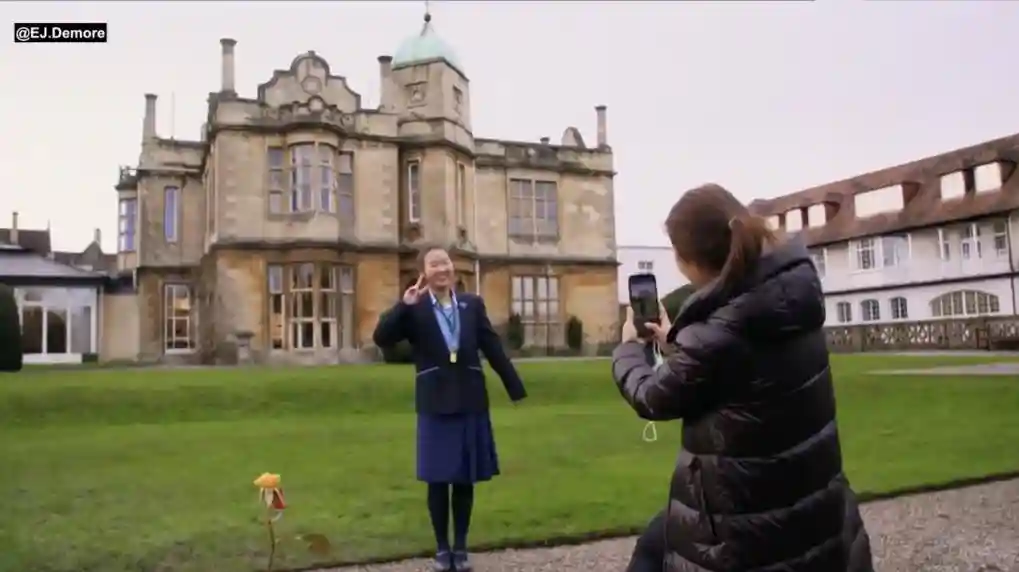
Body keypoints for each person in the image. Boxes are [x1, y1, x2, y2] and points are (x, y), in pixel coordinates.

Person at [613, 184, 874, 572]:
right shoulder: (789, 296)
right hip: (810, 494)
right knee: (658, 538)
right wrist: (676, 342)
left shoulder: (721, 333)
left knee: (654, 550)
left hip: (748, 514)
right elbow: (736, 367)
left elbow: (652, 396)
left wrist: (629, 349)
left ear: (694, 262)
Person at [373, 246, 527, 572]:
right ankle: (442, 548)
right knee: (438, 479)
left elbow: (492, 347)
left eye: (445, 262)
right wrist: (404, 305)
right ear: (424, 272)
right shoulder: (414, 309)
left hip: (470, 399)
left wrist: (514, 387)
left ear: (452, 268)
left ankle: (461, 547)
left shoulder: (472, 305)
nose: (442, 269)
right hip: (435, 402)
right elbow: (382, 337)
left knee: (464, 479)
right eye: (434, 264)